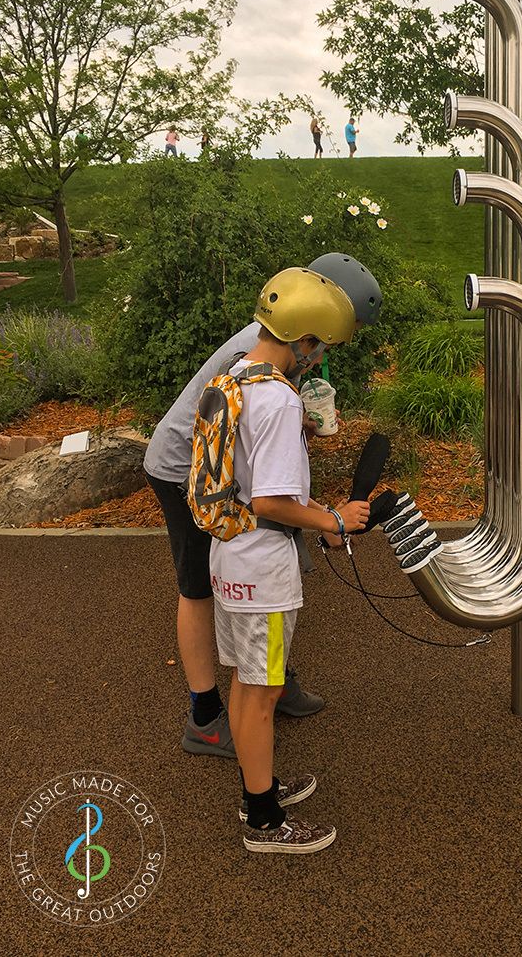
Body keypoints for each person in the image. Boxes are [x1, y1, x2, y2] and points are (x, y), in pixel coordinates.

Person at [143, 253, 383, 761]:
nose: (330, 351)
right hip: (183, 466)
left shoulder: (278, 345)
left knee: (263, 558)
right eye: (342, 329)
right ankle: (205, 715)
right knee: (197, 587)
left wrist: (298, 431)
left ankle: (273, 676)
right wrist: (328, 517)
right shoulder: (255, 358)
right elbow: (261, 487)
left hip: (234, 472)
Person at [213, 267, 369, 854]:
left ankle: (262, 785)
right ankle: (263, 821)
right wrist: (334, 519)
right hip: (263, 571)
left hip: (230, 557)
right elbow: (272, 498)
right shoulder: (276, 398)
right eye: (319, 347)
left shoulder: (238, 375)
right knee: (263, 692)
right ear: (303, 338)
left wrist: (300, 428)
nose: (317, 358)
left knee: (250, 684)